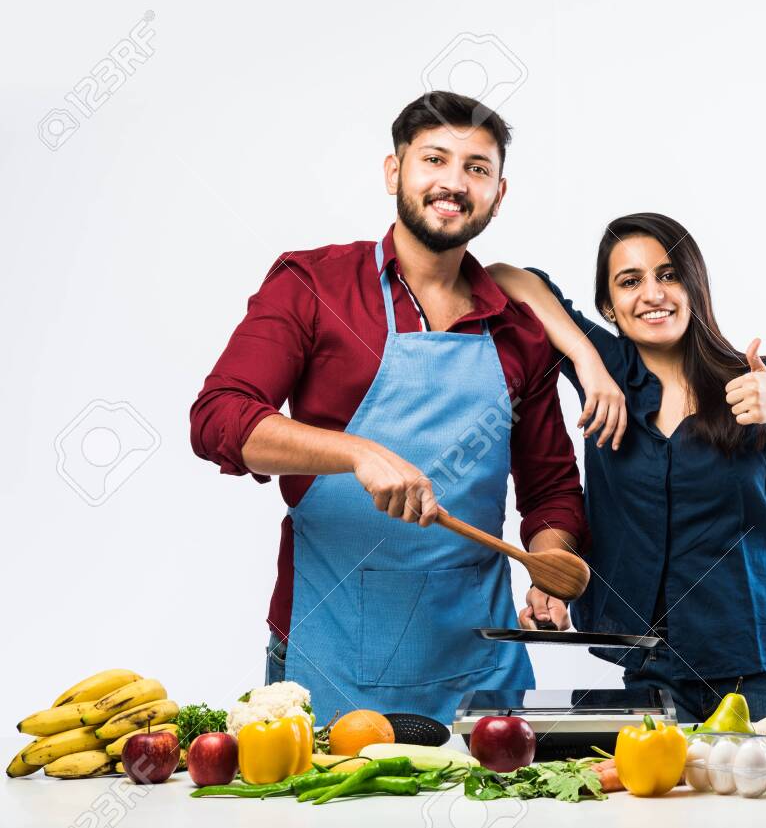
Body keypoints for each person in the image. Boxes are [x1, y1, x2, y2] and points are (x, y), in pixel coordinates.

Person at [189, 92, 586, 724]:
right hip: (328, 653)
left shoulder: (519, 331)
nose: (454, 183)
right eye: (435, 159)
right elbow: (219, 418)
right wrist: (355, 452)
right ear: (394, 171)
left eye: (477, 168)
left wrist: (547, 562)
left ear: (498, 193)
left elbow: (552, 489)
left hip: (482, 670)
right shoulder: (312, 286)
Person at [488, 213, 766, 724]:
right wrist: (585, 359)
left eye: (668, 275)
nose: (652, 294)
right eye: (630, 281)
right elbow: (501, 276)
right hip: (651, 666)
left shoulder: (761, 382)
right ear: (609, 306)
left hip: (764, 665)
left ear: (695, 286)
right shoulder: (607, 376)